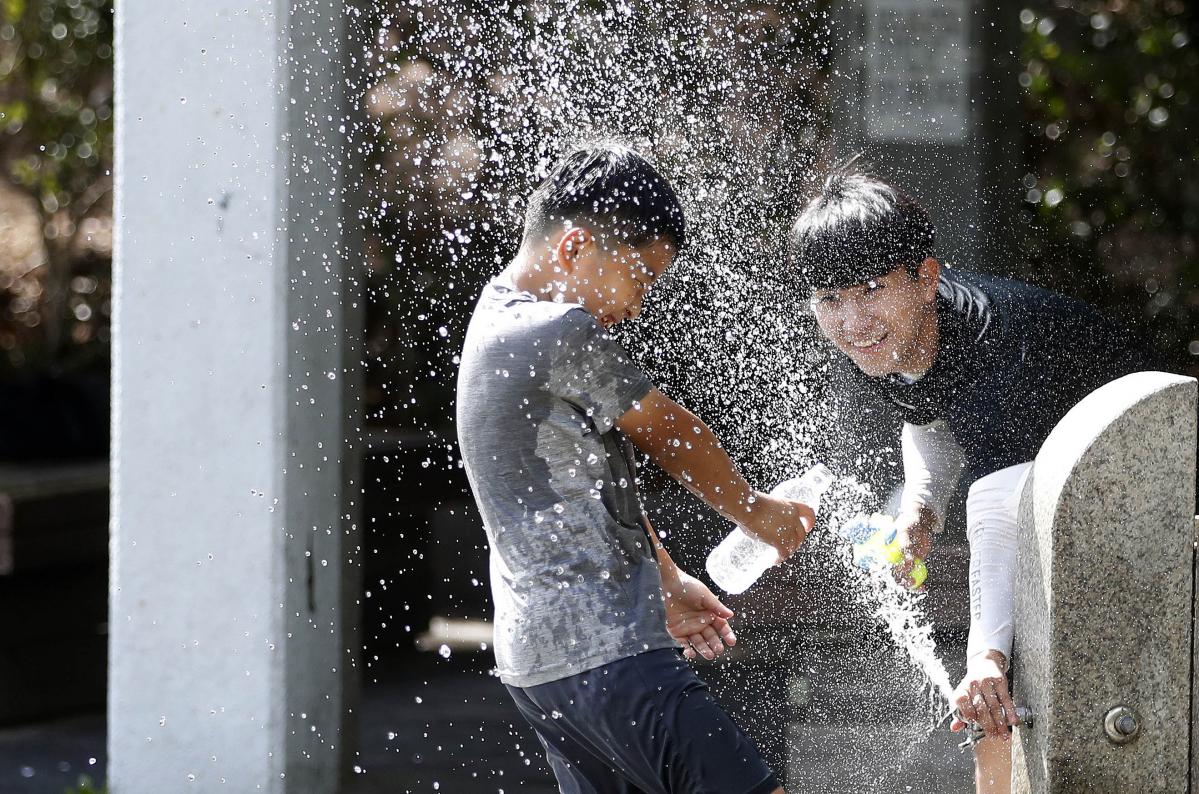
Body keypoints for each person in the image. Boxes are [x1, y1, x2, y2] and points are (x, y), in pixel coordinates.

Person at [456, 142, 814, 794]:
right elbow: (667, 431)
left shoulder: (498, 325)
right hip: (607, 653)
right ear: (572, 248)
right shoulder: (553, 333)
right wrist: (759, 514)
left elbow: (585, 479)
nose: (638, 305)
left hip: (547, 665)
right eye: (640, 277)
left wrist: (665, 578)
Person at [784, 166, 1151, 794]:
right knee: (995, 719)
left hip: (1146, 483)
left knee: (1002, 699)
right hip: (1062, 499)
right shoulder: (902, 338)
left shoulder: (994, 344)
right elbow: (927, 418)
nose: (850, 320)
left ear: (925, 277)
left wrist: (985, 651)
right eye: (829, 300)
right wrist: (921, 513)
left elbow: (997, 504)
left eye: (869, 289)